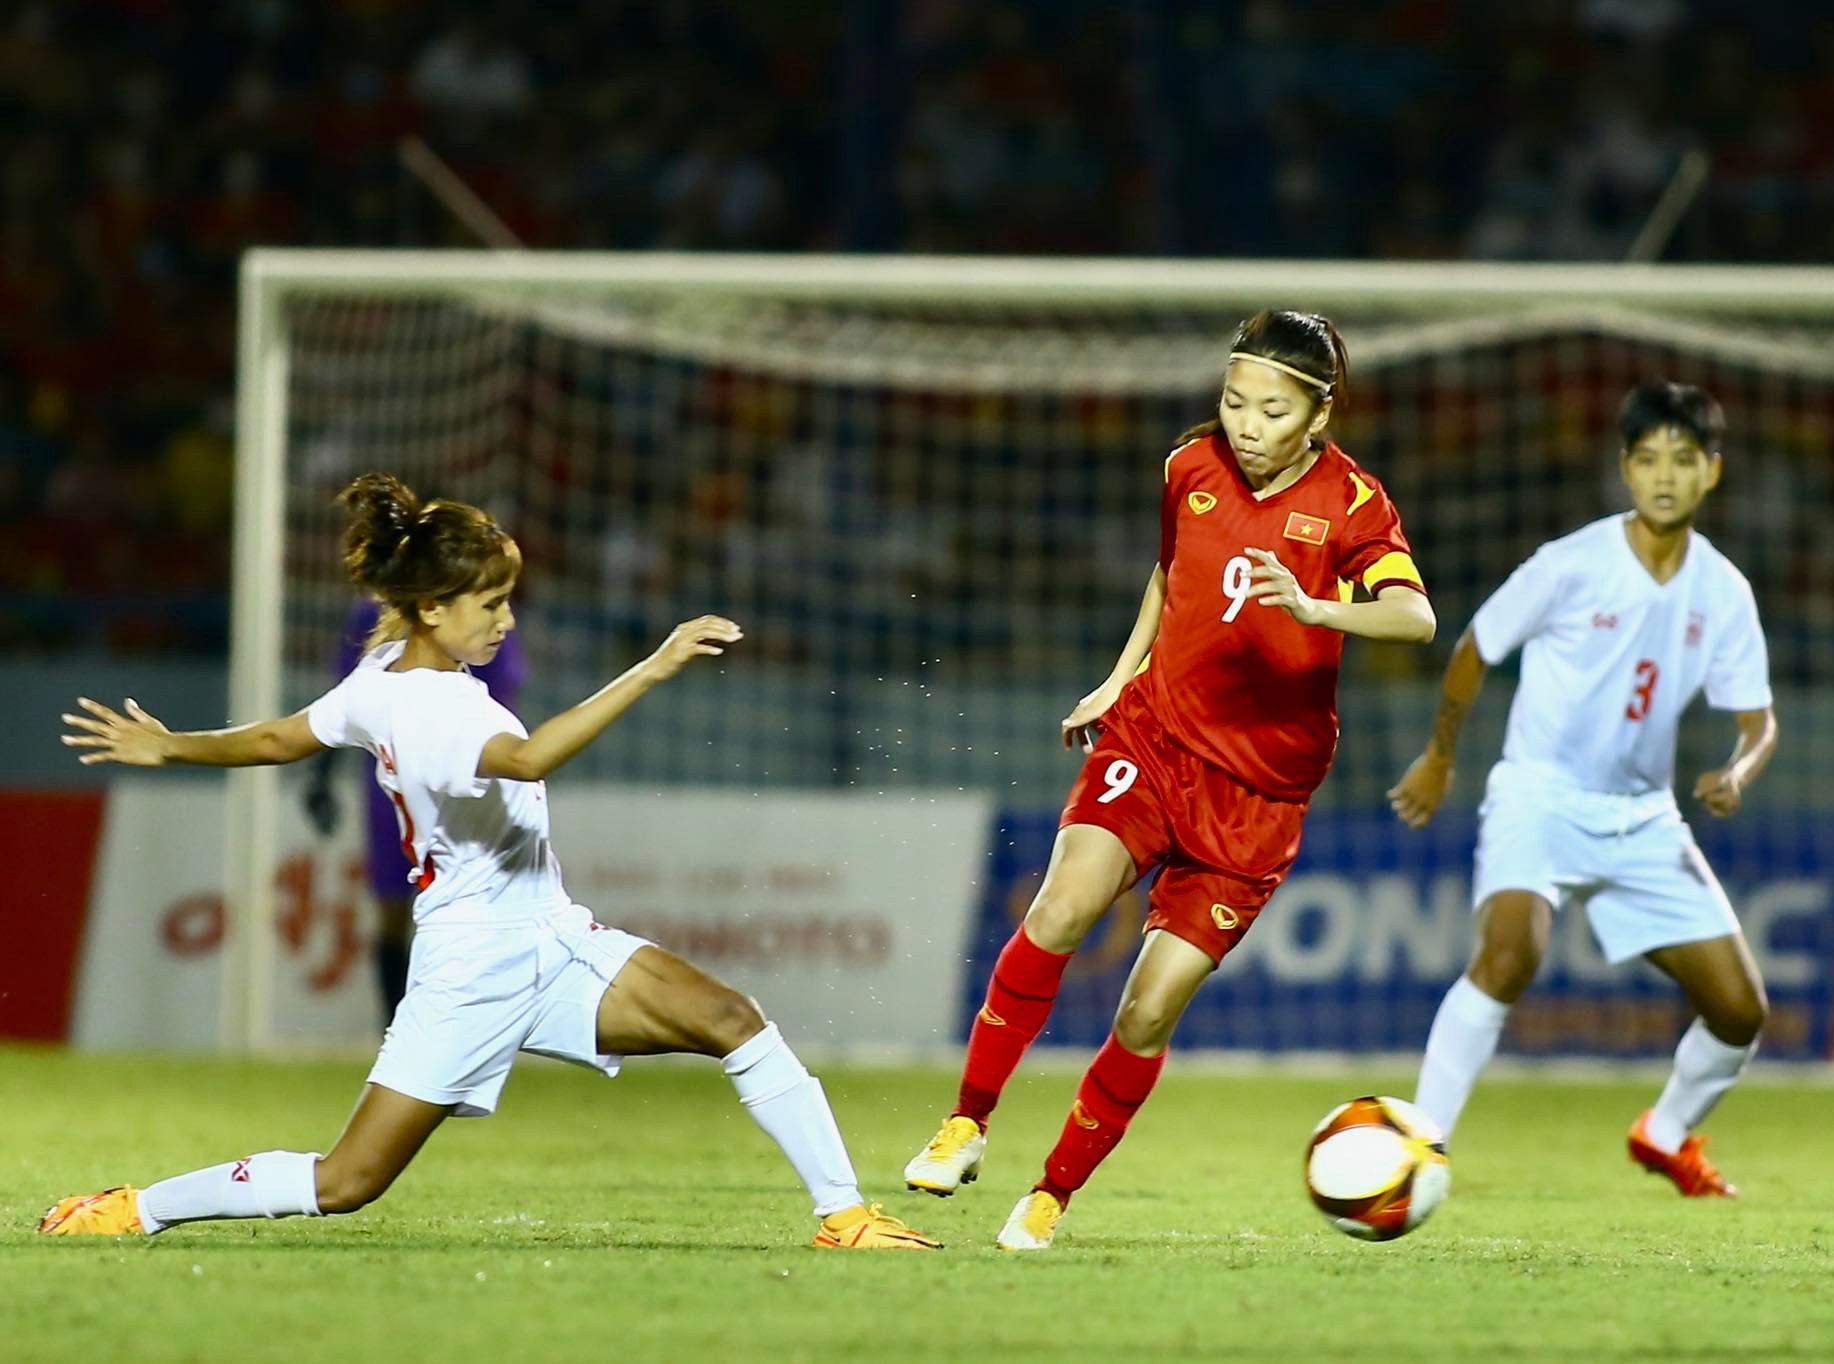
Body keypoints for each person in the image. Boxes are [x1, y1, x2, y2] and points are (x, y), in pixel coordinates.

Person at [40, 473, 938, 1250]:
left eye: (508, 599)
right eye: (490, 604)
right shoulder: (435, 708)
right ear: (434, 607)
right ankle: (138, 1208)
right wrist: (653, 667)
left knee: (731, 1018)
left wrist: (177, 748)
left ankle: (845, 1217)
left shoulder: (385, 668)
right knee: (346, 1181)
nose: (506, 621)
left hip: (549, 934)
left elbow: (284, 735)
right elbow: (533, 757)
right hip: (472, 963)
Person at [902, 311, 1435, 1250]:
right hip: (1154, 743)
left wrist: (1316, 606)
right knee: (1061, 909)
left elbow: (1416, 618)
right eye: (1234, 401)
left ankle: (1053, 1193)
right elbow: (1170, 575)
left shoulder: (1354, 506)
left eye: (1271, 410)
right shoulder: (1188, 468)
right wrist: (1117, 681)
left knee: (1146, 1010)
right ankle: (966, 1124)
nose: (1246, 424)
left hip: (1257, 799)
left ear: (1317, 416)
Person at [1388, 381, 1778, 1198]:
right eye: (1646, 460)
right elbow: (1475, 646)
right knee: (1510, 954)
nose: (1663, 477)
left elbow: (1758, 720)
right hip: (1540, 795)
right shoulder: (1570, 565)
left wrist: (1737, 773)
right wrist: (1439, 758)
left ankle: (1666, 1135)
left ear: (1712, 471)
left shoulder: (1725, 592)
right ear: (1624, 472)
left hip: (1643, 819)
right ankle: (1417, 1148)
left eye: (1682, 460)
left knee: (1742, 1010)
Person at [305, 596, 527, 1025]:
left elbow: (503, 700)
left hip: (465, 777)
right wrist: (322, 776)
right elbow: (344, 705)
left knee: (466, 912)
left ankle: (462, 1030)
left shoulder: (479, 606)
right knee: (392, 913)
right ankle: (397, 1033)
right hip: (391, 778)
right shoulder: (373, 613)